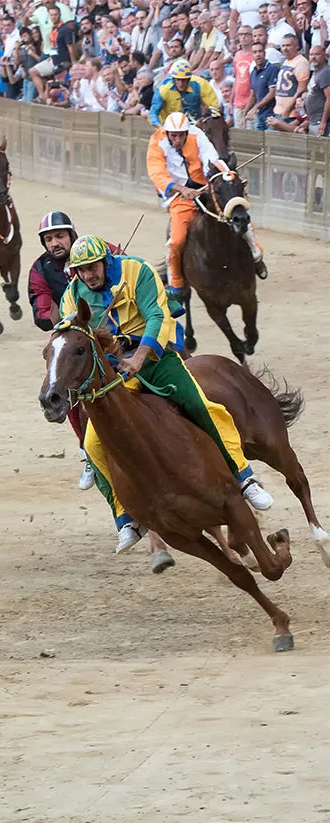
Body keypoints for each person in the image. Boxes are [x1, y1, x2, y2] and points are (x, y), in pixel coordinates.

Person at [59, 236, 273, 553]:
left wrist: (140, 357)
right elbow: (72, 334)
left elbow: (158, 317)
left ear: (106, 261)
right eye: (82, 270)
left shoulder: (138, 271)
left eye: (92, 267)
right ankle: (125, 518)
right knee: (92, 444)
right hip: (118, 373)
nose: (89, 275)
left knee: (199, 404)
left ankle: (244, 477)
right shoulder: (72, 296)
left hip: (158, 360)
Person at [29, 211, 109, 491]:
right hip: (73, 336)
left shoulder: (96, 250)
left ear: (72, 235)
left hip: (115, 326)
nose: (55, 243)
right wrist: (70, 326)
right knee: (68, 388)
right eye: (49, 239)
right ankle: (88, 451)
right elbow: (41, 312)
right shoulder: (39, 270)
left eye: (59, 236)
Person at [147, 112, 266, 299]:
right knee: (176, 240)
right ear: (168, 133)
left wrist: (222, 176)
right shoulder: (157, 142)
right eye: (174, 135)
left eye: (181, 135)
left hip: (205, 188)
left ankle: (255, 254)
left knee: (236, 211)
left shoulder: (197, 135)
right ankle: (176, 283)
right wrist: (181, 189)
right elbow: (157, 172)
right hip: (179, 197)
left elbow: (210, 157)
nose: (178, 139)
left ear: (187, 132)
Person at [148, 58, 222, 126]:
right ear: (173, 79)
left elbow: (214, 107)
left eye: (184, 80)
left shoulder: (200, 84)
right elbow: (153, 112)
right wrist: (160, 127)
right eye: (178, 80)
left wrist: (206, 119)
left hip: (194, 123)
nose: (181, 84)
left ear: (189, 79)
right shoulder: (163, 90)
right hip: (169, 125)